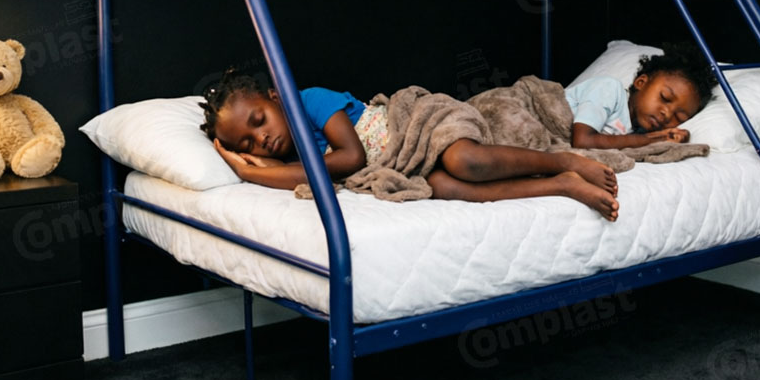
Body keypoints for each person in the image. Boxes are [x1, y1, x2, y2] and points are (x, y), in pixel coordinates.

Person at [201, 69, 620, 220]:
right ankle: (561, 185)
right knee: (445, 188)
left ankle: (560, 160)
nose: (262, 138)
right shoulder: (293, 156)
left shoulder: (309, 100)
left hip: (419, 125)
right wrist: (248, 170)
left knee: (466, 161)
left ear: (276, 97)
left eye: (259, 121)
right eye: (249, 143)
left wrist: (253, 172)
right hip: (407, 163)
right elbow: (306, 174)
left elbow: (352, 158)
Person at [565, 44, 717, 150]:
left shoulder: (637, 132)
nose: (667, 114)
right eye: (664, 97)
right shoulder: (609, 89)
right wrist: (652, 139)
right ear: (640, 82)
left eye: (679, 117)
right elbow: (582, 141)